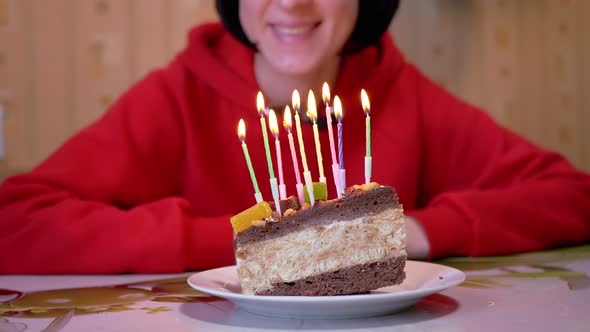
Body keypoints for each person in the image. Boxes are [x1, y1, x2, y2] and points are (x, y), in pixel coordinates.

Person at [0, 0, 589, 274]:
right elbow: (17, 223)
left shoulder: (401, 91)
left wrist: (404, 233)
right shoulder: (177, 95)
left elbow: (571, 194)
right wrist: (260, 245)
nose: (291, 1)